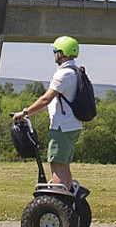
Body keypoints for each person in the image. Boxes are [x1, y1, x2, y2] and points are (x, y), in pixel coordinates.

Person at [12, 35, 83, 190]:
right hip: (72, 125)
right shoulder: (76, 72)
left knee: (56, 166)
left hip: (61, 128)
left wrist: (24, 112)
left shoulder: (63, 74)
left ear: (62, 53)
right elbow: (54, 103)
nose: (53, 54)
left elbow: (46, 99)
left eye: (55, 51)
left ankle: (58, 205)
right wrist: (30, 114)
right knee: (64, 166)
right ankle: (68, 204)